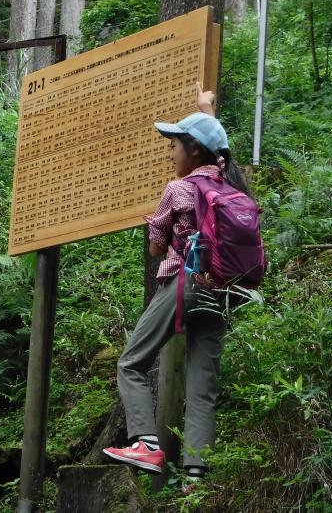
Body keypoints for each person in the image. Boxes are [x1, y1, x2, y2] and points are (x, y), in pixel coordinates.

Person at [103, 85, 252, 483]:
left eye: (175, 145)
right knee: (202, 383)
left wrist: (157, 231)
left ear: (195, 151)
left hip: (185, 285)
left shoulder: (179, 188)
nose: (171, 153)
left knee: (131, 362)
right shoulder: (230, 184)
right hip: (222, 290)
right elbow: (218, 141)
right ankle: (196, 473)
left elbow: (155, 251)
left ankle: (147, 445)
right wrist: (206, 110)